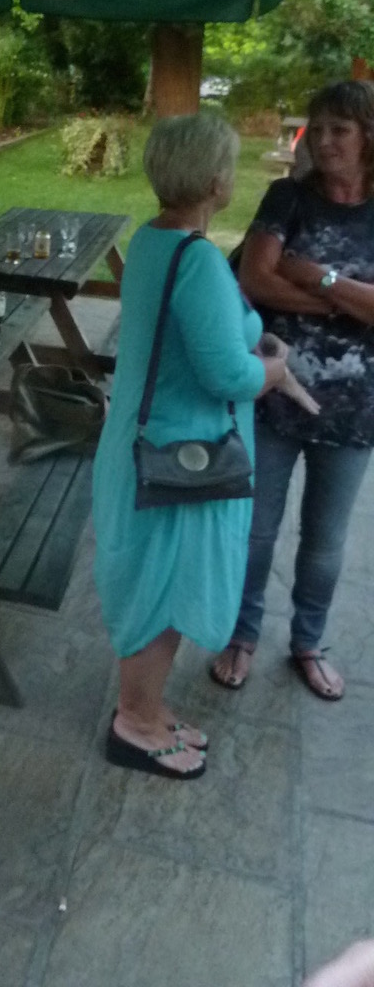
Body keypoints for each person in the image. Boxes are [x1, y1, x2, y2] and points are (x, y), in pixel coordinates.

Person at [92, 113, 287, 780]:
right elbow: (227, 375)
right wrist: (272, 370)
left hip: (147, 447)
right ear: (212, 180)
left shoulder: (154, 241)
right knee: (162, 592)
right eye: (229, 165)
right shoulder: (197, 260)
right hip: (179, 463)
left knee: (157, 584)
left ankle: (146, 707)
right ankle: (136, 723)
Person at [211, 80, 374, 701]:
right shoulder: (288, 198)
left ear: (368, 137)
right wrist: (346, 302)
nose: (324, 140)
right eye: (318, 127)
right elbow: (256, 279)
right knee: (255, 531)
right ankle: (241, 635)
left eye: (340, 130)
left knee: (325, 542)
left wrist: (314, 274)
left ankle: (309, 642)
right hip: (272, 397)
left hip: (354, 409)